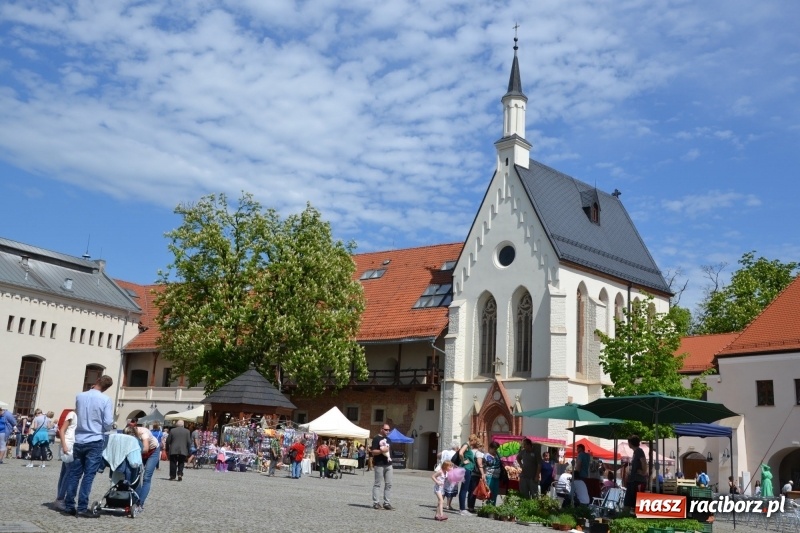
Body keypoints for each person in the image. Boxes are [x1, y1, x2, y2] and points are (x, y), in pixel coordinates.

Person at [63, 374, 114, 518]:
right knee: (88, 475)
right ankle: (82, 507)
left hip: (79, 438)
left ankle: (69, 506)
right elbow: (108, 422)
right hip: (95, 439)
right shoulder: (105, 399)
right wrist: (104, 428)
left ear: (97, 381)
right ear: (107, 388)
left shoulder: (80, 396)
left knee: (74, 474)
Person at [123, 421, 160, 513]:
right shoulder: (128, 432)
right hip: (139, 451)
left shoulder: (144, 433)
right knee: (135, 475)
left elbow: (146, 449)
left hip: (152, 451)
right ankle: (134, 500)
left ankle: (140, 503)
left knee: (146, 477)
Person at [55, 410, 77, 508]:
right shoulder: (72, 414)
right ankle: (60, 498)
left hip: (72, 443)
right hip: (68, 443)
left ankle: (60, 497)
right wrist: (64, 445)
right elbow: (62, 430)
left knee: (64, 472)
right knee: (69, 472)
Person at [371, 423, 394, 510]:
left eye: (389, 430)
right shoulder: (376, 439)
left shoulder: (389, 440)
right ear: (381, 429)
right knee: (377, 484)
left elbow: (389, 451)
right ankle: (376, 503)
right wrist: (381, 451)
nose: (388, 431)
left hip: (388, 464)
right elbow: (373, 452)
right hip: (379, 464)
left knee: (389, 484)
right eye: (386, 429)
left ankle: (386, 503)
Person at [623, 435, 648, 511]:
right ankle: (627, 516)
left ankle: (633, 516)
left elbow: (644, 462)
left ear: (630, 443)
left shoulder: (639, 451)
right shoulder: (635, 452)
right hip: (633, 480)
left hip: (637, 481)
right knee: (628, 502)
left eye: (628, 442)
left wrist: (643, 472)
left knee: (635, 503)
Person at [456, 435, 478, 516]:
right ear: (473, 440)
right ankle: (462, 509)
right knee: (464, 489)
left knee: (464, 489)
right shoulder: (466, 445)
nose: (475, 443)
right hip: (466, 469)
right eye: (475, 441)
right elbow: (460, 453)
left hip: (467, 469)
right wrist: (463, 461)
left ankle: (462, 508)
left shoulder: (467, 446)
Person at [466, 437, 486, 512]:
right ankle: (471, 507)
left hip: (469, 472)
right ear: (479, 446)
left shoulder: (470, 451)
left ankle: (469, 506)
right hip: (475, 474)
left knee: (470, 490)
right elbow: (480, 464)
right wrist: (483, 473)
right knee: (473, 491)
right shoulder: (478, 453)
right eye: (482, 446)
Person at [484, 441, 502, 505]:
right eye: (495, 449)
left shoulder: (497, 455)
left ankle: (493, 506)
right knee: (489, 492)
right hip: (489, 476)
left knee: (495, 493)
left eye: (497, 449)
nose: (496, 450)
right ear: (490, 448)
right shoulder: (487, 456)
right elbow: (488, 464)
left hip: (497, 476)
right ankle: (488, 506)